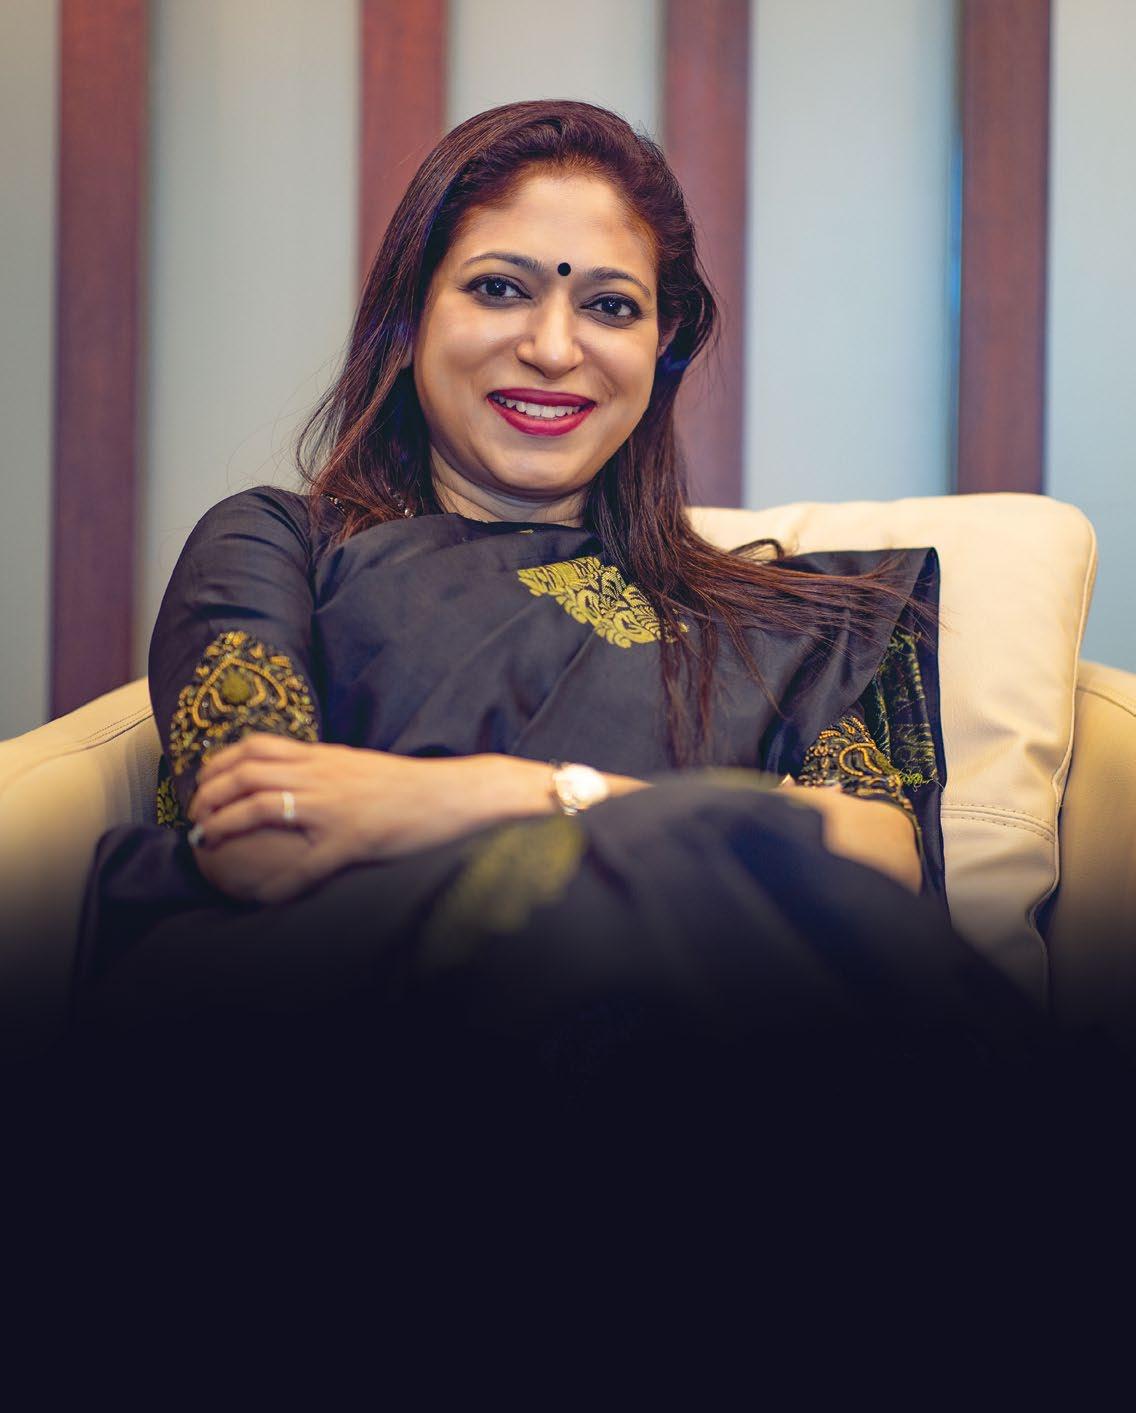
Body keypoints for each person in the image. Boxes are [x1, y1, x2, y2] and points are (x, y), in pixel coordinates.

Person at [65, 100, 1057, 1155]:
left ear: (662, 345)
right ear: (410, 316)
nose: (551, 347)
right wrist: (697, 834)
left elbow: (871, 859)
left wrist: (502, 793)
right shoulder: (283, 545)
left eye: (610, 306)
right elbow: (258, 827)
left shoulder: (770, 624)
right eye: (500, 288)